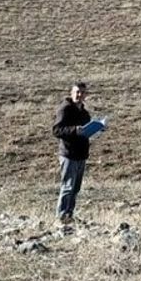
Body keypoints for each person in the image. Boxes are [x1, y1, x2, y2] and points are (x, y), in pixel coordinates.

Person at [52, 81, 94, 225]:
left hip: (81, 154)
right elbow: (56, 130)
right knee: (68, 186)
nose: (79, 95)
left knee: (75, 188)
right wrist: (74, 130)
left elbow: (87, 130)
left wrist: (96, 130)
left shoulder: (84, 112)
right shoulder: (65, 109)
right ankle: (61, 217)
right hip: (68, 154)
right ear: (71, 93)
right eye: (77, 92)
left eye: (82, 92)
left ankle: (69, 215)